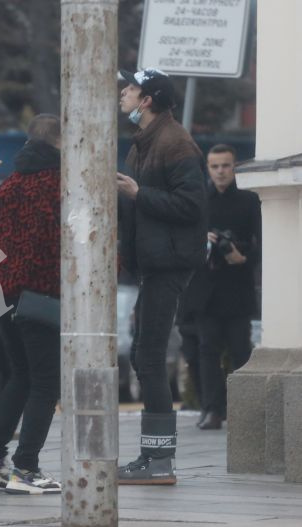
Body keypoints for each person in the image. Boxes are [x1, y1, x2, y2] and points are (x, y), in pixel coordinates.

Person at [116, 68, 207, 485]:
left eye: (131, 88)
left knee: (149, 356)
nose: (123, 93)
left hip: (169, 262)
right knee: (143, 355)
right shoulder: (145, 142)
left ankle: (159, 461)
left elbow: (191, 205)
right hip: (152, 261)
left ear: (148, 99)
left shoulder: (175, 142)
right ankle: (153, 457)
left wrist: (138, 194)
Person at [0, 114, 63, 495]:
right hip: (38, 294)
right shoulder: (59, 185)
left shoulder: (7, 186)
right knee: (46, 382)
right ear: (60, 142)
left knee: (20, 375)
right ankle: (25, 468)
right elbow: (62, 242)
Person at [193, 144, 261, 430]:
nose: (220, 172)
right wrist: (203, 242)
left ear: (235, 167)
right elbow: (185, 242)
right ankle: (212, 409)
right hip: (206, 289)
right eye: (215, 166)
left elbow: (263, 241)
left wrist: (242, 257)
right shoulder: (199, 201)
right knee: (207, 350)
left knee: (240, 350)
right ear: (208, 169)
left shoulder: (249, 200)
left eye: (225, 165)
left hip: (238, 287)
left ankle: (244, 410)